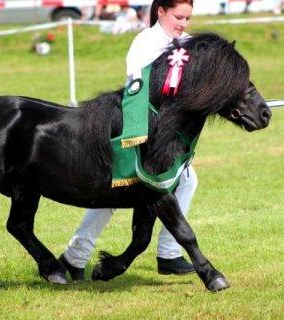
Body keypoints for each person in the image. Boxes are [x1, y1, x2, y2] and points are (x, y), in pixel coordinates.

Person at [59, 0, 198, 281]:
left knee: (186, 180)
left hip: (164, 136)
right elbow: (136, 85)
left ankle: (168, 253)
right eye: (178, 17)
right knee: (114, 193)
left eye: (187, 18)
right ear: (161, 11)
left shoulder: (187, 43)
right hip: (134, 127)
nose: (182, 23)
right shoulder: (145, 42)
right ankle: (75, 256)